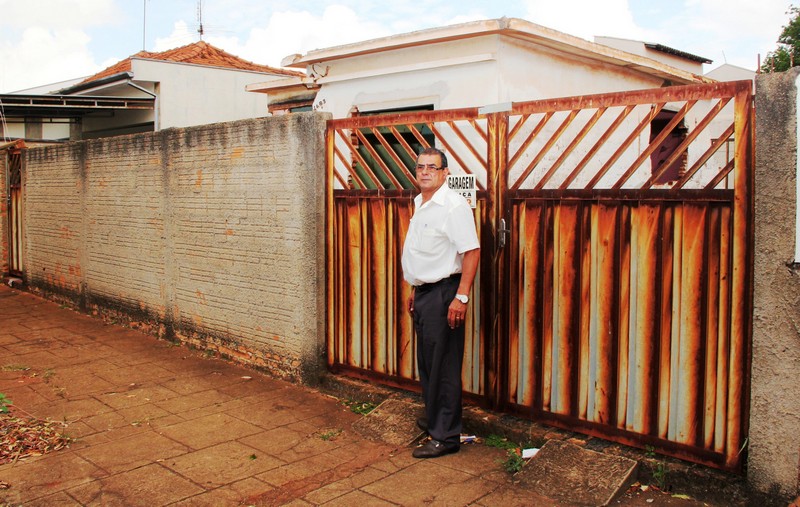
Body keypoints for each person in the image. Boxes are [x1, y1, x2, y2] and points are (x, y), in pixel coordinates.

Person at [401, 147, 480, 459]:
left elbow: (471, 251)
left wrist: (461, 297)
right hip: (424, 294)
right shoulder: (422, 202)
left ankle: (446, 436)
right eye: (420, 166)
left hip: (445, 294)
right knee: (428, 365)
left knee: (443, 366)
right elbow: (424, 252)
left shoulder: (453, 206)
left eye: (432, 167)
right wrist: (415, 287)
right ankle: (435, 419)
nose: (425, 172)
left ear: (446, 172)